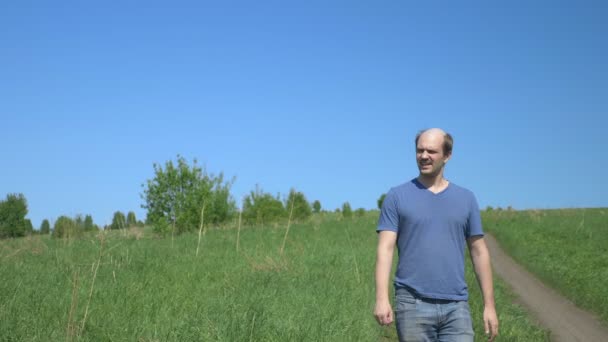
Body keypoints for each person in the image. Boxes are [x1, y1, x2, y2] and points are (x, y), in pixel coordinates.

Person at [374, 128, 498, 342]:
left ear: (447, 156)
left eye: (431, 151)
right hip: (412, 302)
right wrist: (381, 297)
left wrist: (489, 305)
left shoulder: (466, 199)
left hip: (456, 306)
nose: (424, 156)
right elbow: (385, 249)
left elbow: (479, 252)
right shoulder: (397, 196)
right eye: (419, 150)